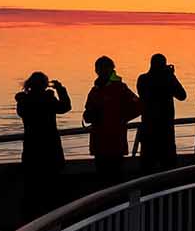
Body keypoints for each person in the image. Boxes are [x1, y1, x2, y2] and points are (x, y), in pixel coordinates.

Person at [16, 71, 72, 219]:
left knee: (32, 188)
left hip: (31, 149)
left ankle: (30, 220)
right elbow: (65, 107)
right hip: (50, 149)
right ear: (44, 85)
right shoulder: (48, 101)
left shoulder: (23, 102)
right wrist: (60, 90)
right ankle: (52, 219)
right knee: (51, 188)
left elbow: (22, 112)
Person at [83, 56, 141, 182]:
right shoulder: (95, 90)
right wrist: (88, 115)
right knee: (102, 175)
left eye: (104, 68)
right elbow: (87, 112)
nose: (101, 71)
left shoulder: (120, 88)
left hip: (115, 141)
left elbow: (138, 106)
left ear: (111, 69)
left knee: (115, 175)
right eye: (99, 68)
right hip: (99, 141)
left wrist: (121, 118)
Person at [135, 54, 187, 173]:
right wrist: (171, 76)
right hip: (165, 129)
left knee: (147, 167)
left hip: (148, 128)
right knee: (168, 167)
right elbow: (182, 95)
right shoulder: (167, 79)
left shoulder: (142, 79)